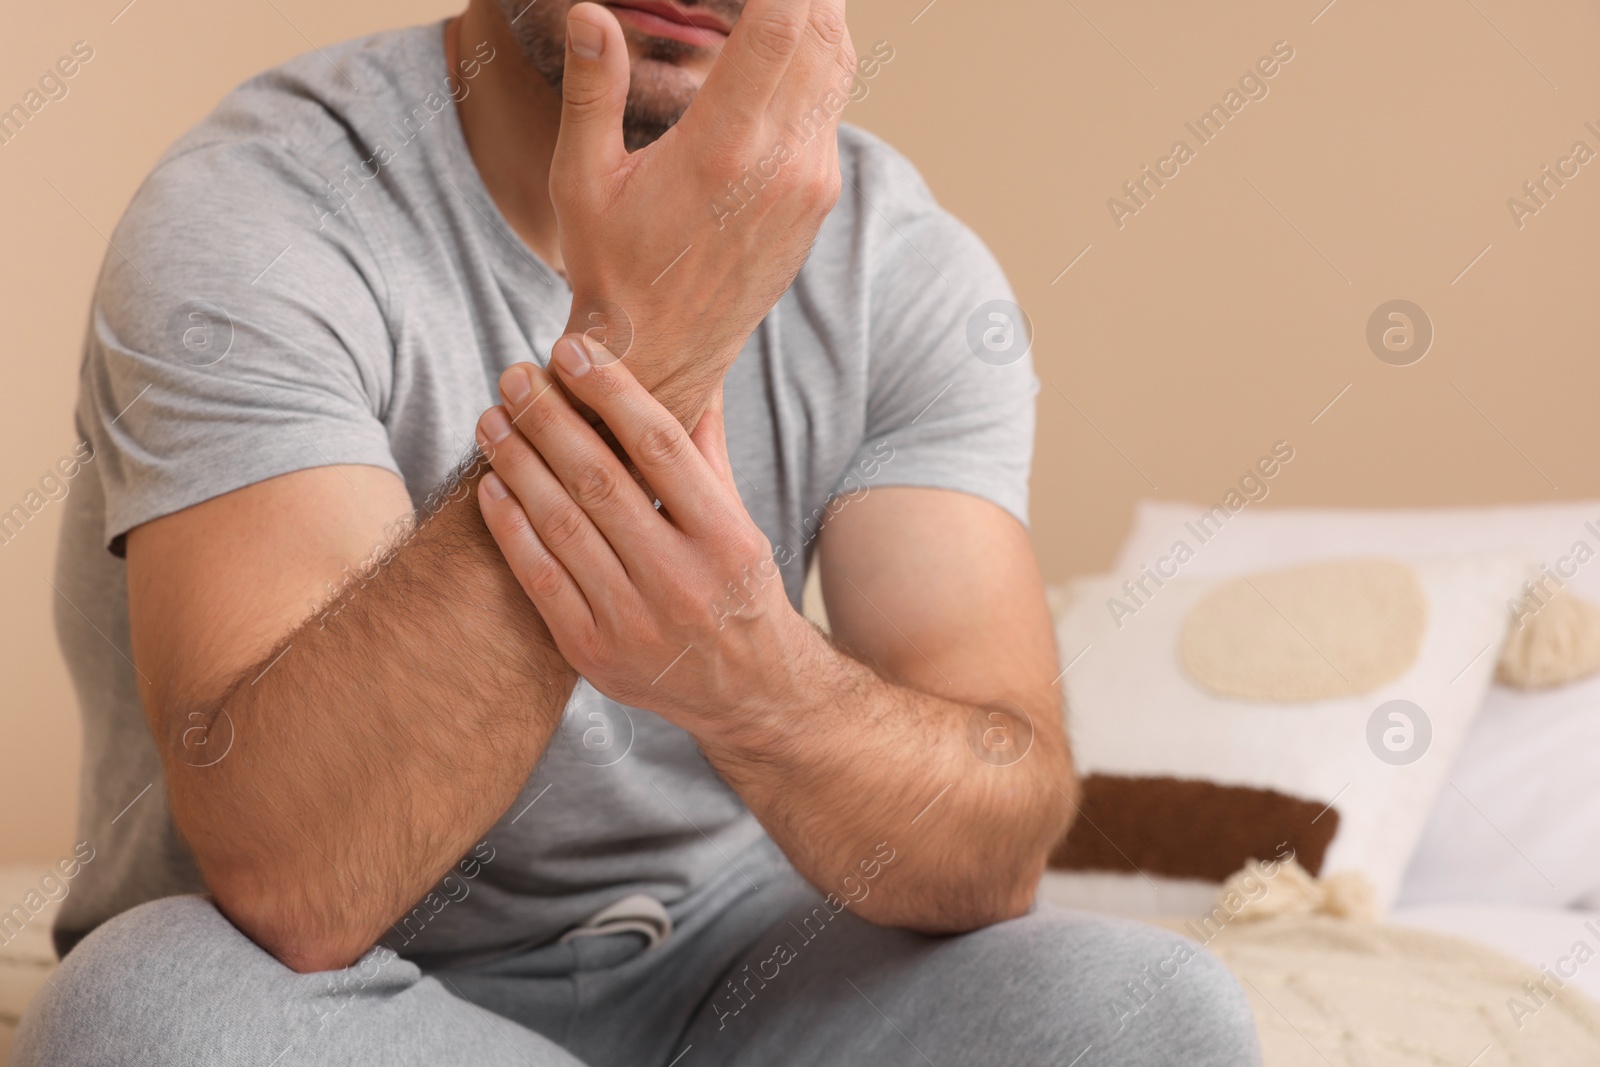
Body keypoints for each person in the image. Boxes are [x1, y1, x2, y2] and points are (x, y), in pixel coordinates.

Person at [16, 1, 1260, 1063]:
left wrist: (758, 685)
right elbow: (297, 878)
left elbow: (989, 851)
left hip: (737, 972)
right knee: (147, 1018)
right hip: (332, 986)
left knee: (1157, 1010)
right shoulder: (261, 205)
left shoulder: (901, 262)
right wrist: (646, 347)